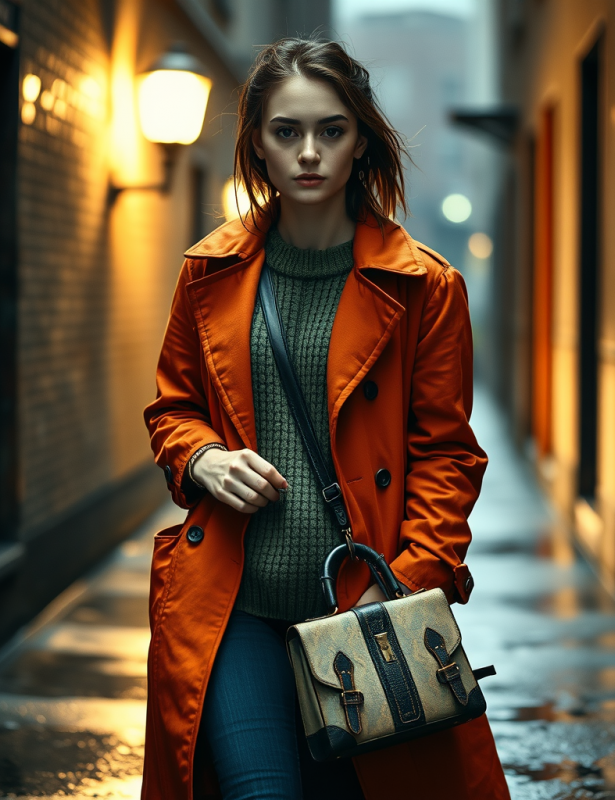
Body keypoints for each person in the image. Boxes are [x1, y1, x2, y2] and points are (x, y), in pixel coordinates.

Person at [142, 36, 511, 800]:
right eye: (287, 132)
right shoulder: (207, 274)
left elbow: (448, 456)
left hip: (363, 615)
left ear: (360, 142)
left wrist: (404, 583)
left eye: (331, 131)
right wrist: (201, 456)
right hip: (234, 609)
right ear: (258, 146)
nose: (309, 152)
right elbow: (173, 405)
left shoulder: (424, 289)